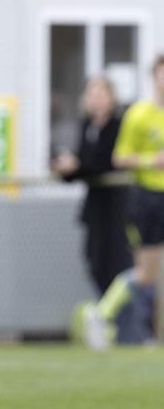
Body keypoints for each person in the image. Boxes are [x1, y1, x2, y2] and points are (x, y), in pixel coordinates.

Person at [78, 54, 164, 349]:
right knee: (147, 272)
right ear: (154, 77)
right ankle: (103, 314)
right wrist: (153, 160)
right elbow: (120, 157)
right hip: (150, 197)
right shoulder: (139, 115)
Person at [52, 75, 132, 295]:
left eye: (100, 94)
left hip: (115, 208)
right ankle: (106, 313)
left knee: (117, 264)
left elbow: (105, 162)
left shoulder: (118, 126)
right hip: (94, 208)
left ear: (111, 98)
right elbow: (83, 164)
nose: (95, 100)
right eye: (91, 94)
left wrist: (77, 166)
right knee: (93, 261)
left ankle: (122, 320)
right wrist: (64, 168)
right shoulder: (87, 125)